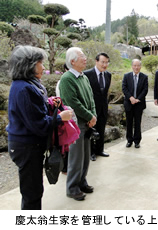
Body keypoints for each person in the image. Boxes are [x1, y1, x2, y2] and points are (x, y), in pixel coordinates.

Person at [6, 45, 72, 210]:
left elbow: (35, 111)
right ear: (28, 65)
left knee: (34, 190)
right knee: (32, 193)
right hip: (27, 147)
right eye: (40, 63)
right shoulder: (24, 88)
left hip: (28, 145)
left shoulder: (28, 84)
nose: (43, 67)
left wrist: (50, 102)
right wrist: (60, 117)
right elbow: (39, 125)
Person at [59, 47, 97, 201]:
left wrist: (92, 114)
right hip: (76, 124)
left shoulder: (83, 77)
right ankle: (72, 188)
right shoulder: (67, 78)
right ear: (72, 61)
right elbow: (72, 102)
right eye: (81, 56)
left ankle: (82, 182)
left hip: (87, 122)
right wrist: (89, 115)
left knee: (85, 157)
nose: (85, 58)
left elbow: (91, 98)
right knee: (76, 158)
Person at [84, 53, 111, 161]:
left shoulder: (108, 75)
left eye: (107, 62)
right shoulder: (87, 74)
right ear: (96, 61)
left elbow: (105, 93)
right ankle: (91, 152)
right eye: (102, 62)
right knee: (90, 130)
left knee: (101, 129)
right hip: (91, 108)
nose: (105, 64)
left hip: (103, 108)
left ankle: (100, 150)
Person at [122, 59, 148, 148]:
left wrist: (137, 99)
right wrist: (131, 98)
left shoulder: (144, 77)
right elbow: (124, 88)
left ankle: (137, 141)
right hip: (129, 103)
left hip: (139, 104)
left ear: (140, 67)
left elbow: (145, 90)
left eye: (138, 65)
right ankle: (129, 140)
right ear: (132, 66)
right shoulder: (126, 76)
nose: (136, 67)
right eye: (135, 65)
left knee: (137, 122)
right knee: (129, 122)